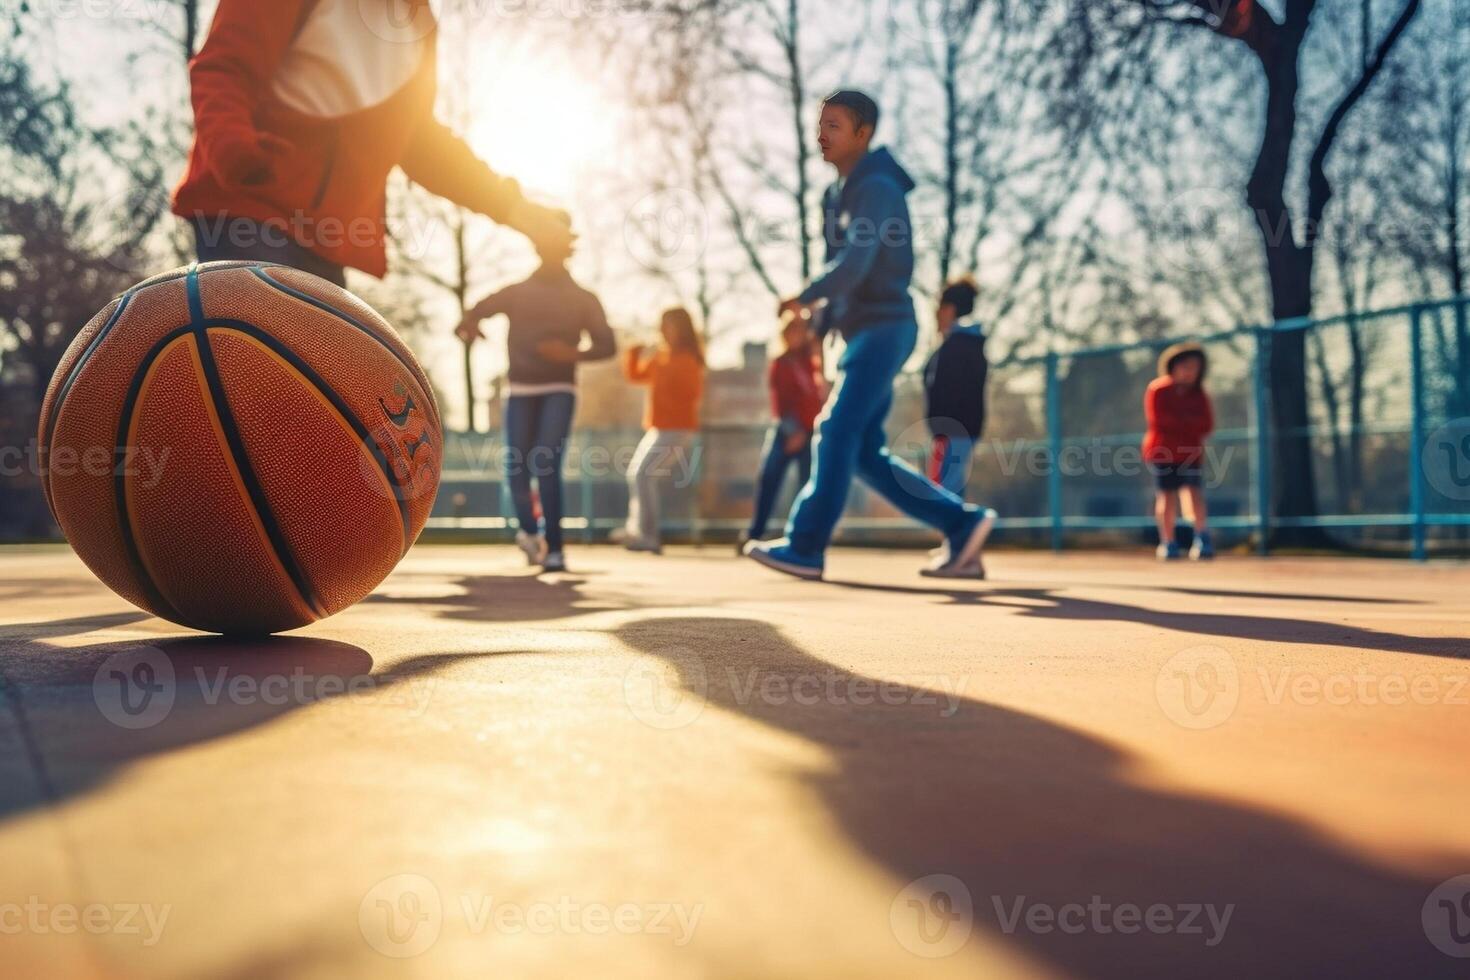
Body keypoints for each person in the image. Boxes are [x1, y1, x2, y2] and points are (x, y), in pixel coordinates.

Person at [743, 90, 996, 581]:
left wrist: (804, 296)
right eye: (820, 125)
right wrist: (817, 324)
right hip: (864, 333)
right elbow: (841, 276)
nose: (821, 135)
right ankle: (962, 525)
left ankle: (806, 546)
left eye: (834, 125)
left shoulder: (878, 187)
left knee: (835, 431)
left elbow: (856, 265)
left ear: (864, 133)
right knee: (860, 452)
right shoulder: (834, 196)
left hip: (887, 328)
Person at [173, 0, 571, 283]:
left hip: (330, 236)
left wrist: (513, 207)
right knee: (261, 375)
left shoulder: (417, 25)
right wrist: (234, 151)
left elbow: (417, 140)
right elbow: (224, 67)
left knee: (320, 382)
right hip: (252, 207)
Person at [456, 212, 614, 573]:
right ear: (538, 244)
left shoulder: (582, 298)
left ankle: (555, 547)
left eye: (560, 240)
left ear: (569, 246)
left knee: (545, 465)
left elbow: (608, 345)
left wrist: (572, 353)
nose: (552, 246)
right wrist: (467, 323)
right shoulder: (517, 293)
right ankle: (530, 532)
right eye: (546, 239)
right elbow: (475, 311)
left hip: (559, 388)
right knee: (516, 468)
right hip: (521, 389)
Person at [619, 309, 706, 554]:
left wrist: (668, 386)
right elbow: (636, 375)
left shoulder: (688, 359)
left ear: (682, 329)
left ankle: (648, 535)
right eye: (663, 326)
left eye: (670, 326)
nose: (665, 332)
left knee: (644, 475)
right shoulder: (661, 356)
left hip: (678, 429)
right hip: (657, 428)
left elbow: (691, 394)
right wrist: (633, 351)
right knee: (636, 474)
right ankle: (638, 531)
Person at [739, 313, 826, 552]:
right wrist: (792, 430)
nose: (794, 336)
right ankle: (755, 533)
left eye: (799, 331)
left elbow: (817, 397)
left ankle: (801, 535)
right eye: (790, 332)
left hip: (810, 431)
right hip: (786, 429)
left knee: (807, 484)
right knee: (769, 480)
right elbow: (779, 402)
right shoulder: (781, 363)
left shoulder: (812, 361)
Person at [1144, 342, 1215, 560]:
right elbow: (1161, 421)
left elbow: (1206, 424)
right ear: (1173, 366)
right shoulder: (1158, 389)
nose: (1190, 372)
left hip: (1190, 453)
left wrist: (1185, 424)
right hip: (1163, 452)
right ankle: (1168, 541)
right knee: (1166, 495)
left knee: (1193, 493)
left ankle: (1201, 537)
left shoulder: (1199, 394)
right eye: (1186, 366)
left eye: (1195, 367)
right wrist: (1188, 423)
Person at [922, 277, 988, 497]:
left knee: (948, 490)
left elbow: (950, 394)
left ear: (949, 310)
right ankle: (960, 528)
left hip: (953, 430)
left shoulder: (957, 347)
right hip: (954, 430)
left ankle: (961, 529)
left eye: (938, 310)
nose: (936, 317)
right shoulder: (965, 345)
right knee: (949, 486)